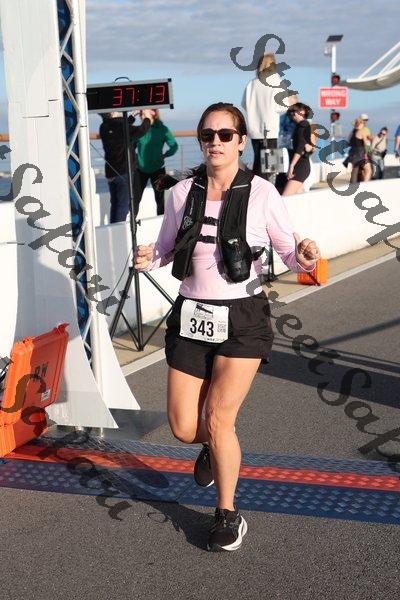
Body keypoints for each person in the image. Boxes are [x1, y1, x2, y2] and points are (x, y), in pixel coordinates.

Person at [134, 102, 320, 552]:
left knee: (219, 418)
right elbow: (166, 248)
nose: (215, 142)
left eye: (224, 134)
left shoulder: (262, 193)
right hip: (192, 314)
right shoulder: (181, 192)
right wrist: (148, 257)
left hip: (243, 318)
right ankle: (212, 447)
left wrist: (305, 258)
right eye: (207, 134)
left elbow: (289, 253)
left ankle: (228, 513)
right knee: (184, 427)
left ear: (240, 141)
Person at [242, 53, 294, 177]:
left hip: (255, 130)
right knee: (271, 169)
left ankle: (256, 186)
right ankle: (267, 188)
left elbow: (244, 104)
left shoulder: (252, 84)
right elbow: (282, 106)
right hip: (270, 131)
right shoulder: (276, 82)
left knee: (258, 163)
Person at [99, 110, 153, 223]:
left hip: (111, 172)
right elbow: (140, 131)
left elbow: (122, 130)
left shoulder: (104, 126)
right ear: (112, 112)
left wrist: (132, 117)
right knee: (123, 205)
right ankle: (119, 230)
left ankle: (113, 228)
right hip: (123, 171)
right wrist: (147, 119)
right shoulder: (120, 125)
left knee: (115, 204)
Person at [136, 109, 178, 215]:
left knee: (160, 201)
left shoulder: (163, 129)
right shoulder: (139, 130)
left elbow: (174, 146)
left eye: (143, 112)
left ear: (153, 112)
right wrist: (135, 158)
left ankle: (162, 222)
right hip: (140, 169)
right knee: (135, 199)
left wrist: (165, 155)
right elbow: (130, 145)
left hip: (157, 169)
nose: (141, 115)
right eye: (140, 113)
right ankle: (133, 222)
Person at [282, 103, 313, 196]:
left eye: (294, 112)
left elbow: (299, 148)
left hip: (300, 166)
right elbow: (308, 147)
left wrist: (291, 166)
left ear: (302, 112)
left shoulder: (303, 125)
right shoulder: (302, 125)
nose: (292, 115)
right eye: (291, 113)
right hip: (301, 165)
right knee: (297, 197)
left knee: (285, 197)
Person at [346, 118, 372, 183]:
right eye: (362, 123)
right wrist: (367, 153)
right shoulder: (362, 132)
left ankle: (353, 185)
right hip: (361, 153)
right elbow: (366, 144)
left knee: (355, 170)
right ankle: (364, 185)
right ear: (360, 124)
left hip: (352, 153)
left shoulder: (352, 132)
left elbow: (348, 143)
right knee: (368, 170)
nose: (363, 125)